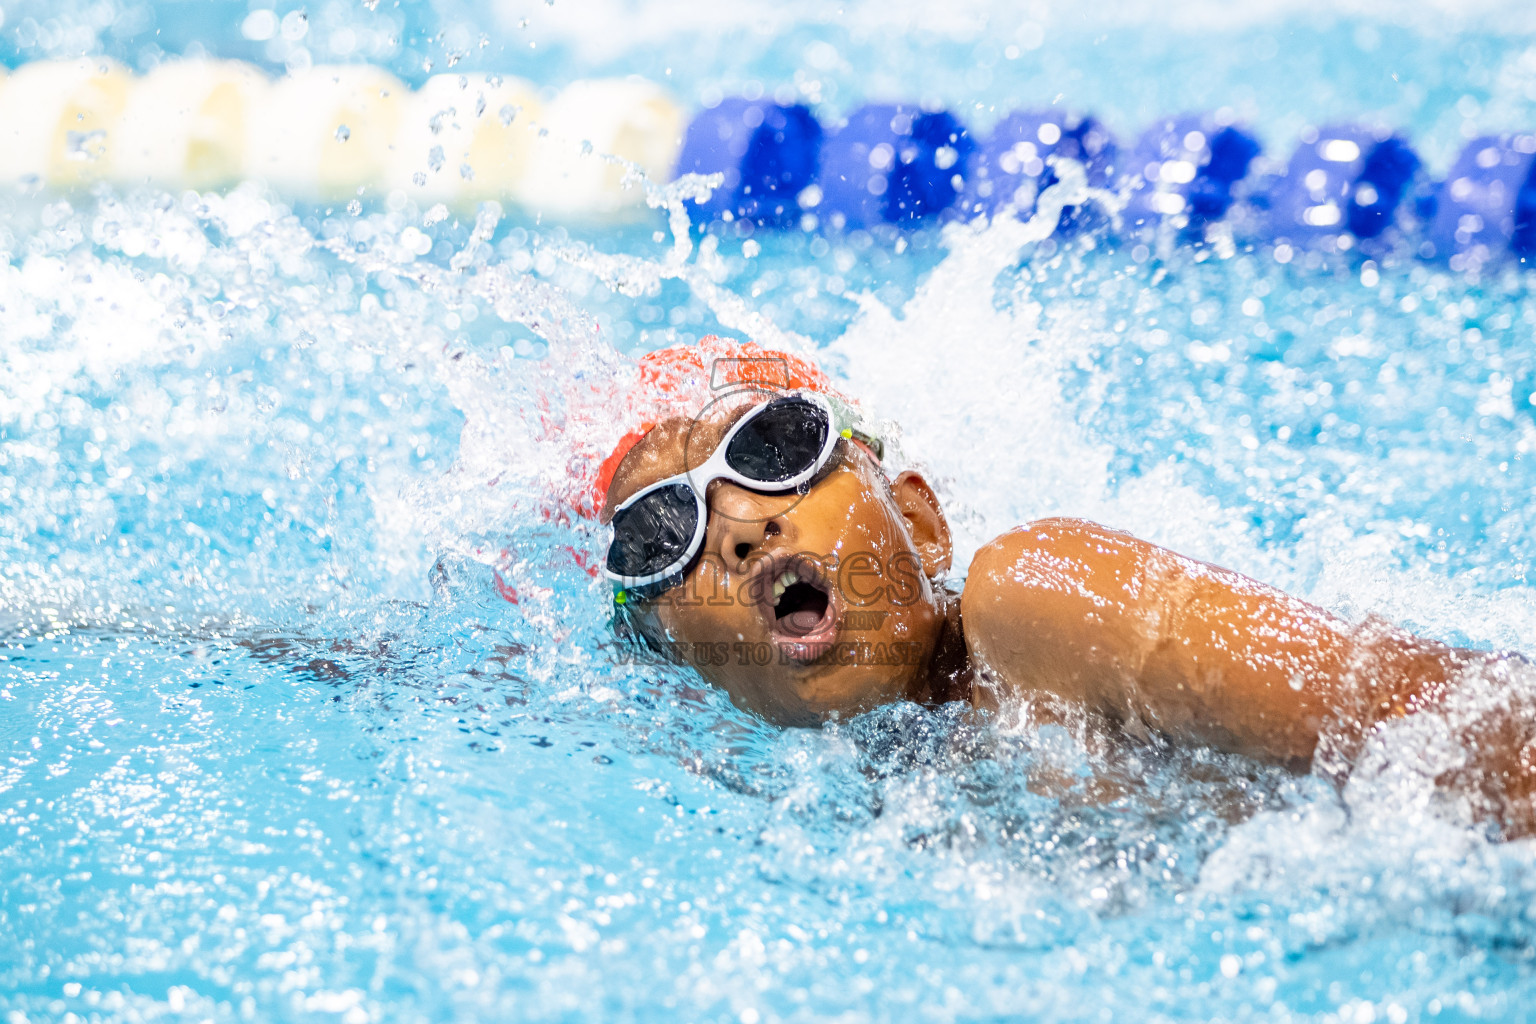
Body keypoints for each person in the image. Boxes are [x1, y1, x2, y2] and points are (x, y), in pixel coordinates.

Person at [588, 336, 1536, 835]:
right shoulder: (826, 791)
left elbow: (1432, 717)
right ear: (688, 667)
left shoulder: (1036, 600)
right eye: (660, 533)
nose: (743, 531)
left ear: (919, 521)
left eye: (778, 449)